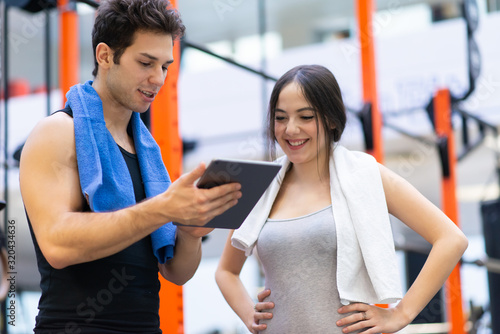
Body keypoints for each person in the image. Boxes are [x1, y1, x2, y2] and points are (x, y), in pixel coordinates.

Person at [19, 0, 241, 333]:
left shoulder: (145, 150)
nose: (158, 78)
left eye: (165, 66)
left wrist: (191, 232)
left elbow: (176, 273)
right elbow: (57, 245)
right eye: (146, 62)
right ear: (105, 56)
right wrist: (161, 208)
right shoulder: (57, 132)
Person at [215, 64, 468, 334]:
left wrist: (401, 313)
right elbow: (226, 272)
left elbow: (451, 239)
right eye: (280, 118)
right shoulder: (260, 185)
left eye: (305, 117)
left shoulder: (365, 174)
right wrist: (248, 313)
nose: (291, 129)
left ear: (332, 119)